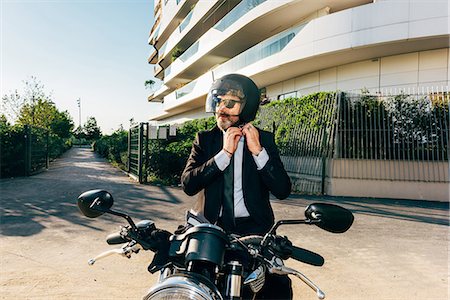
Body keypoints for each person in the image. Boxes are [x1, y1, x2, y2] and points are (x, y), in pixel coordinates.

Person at [181, 73, 292, 299]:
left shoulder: (265, 140)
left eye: (230, 103)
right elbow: (188, 184)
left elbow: (283, 190)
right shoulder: (205, 139)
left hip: (255, 230)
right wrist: (223, 155)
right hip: (211, 226)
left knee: (278, 286)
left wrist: (258, 152)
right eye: (218, 101)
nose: (221, 108)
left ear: (247, 107)